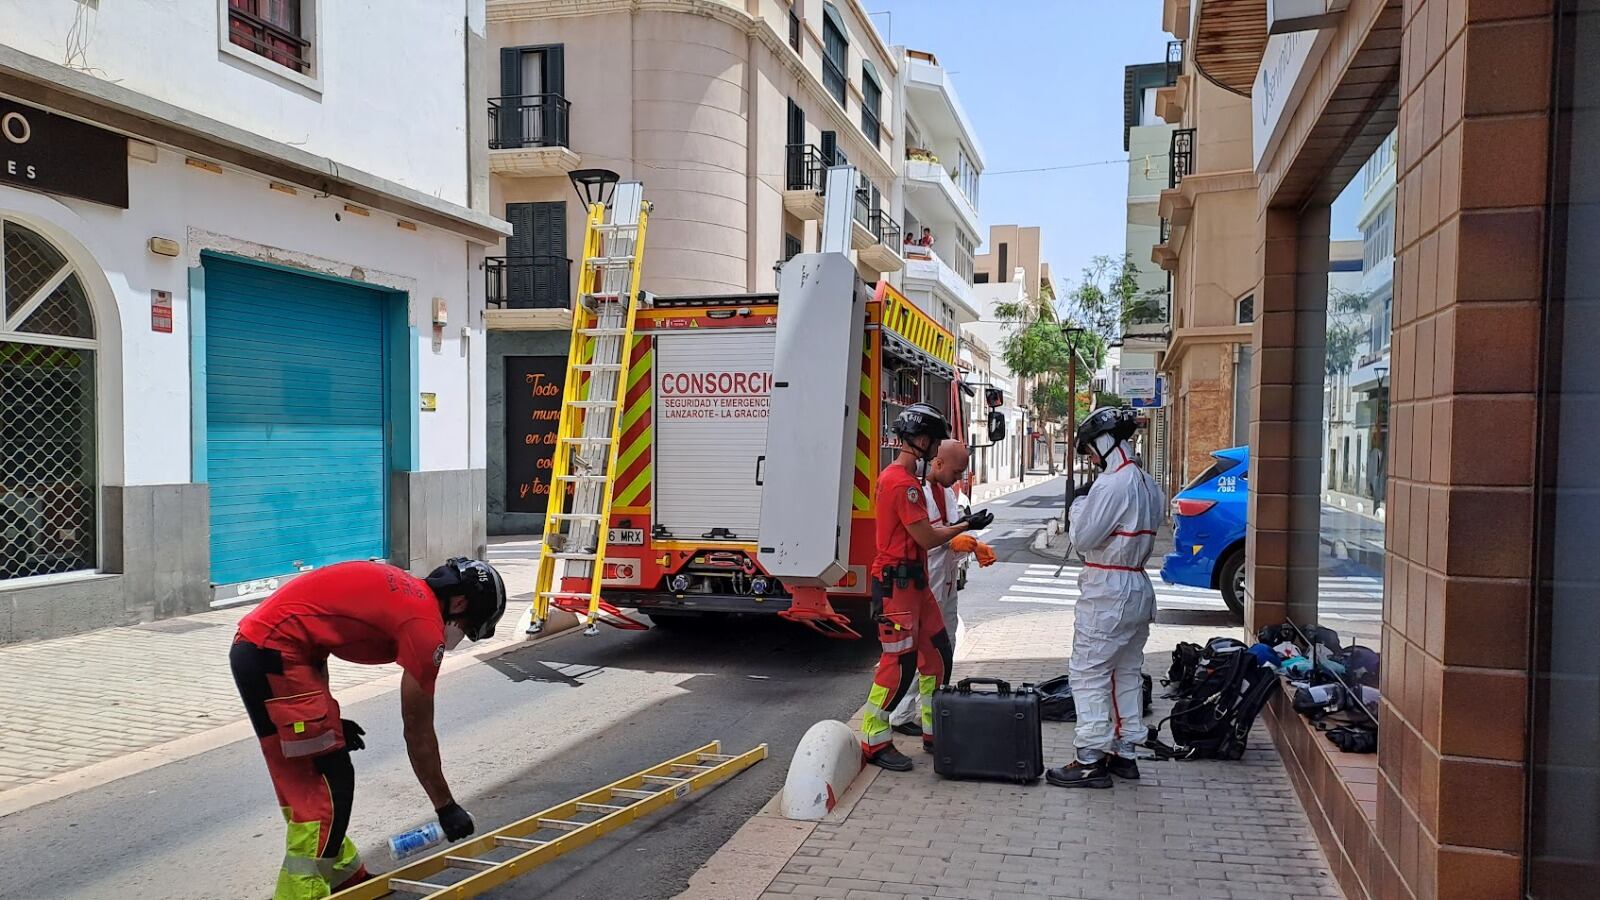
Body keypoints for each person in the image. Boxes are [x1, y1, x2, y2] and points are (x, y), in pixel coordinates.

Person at [230, 557, 507, 899]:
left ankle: (343, 878)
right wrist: (445, 806)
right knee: (328, 785)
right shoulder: (424, 626)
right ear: (460, 603)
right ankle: (298, 894)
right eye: (467, 627)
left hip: (265, 649)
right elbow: (418, 731)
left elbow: (316, 636)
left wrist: (326, 719)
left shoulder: (410, 593)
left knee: (306, 779)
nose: (459, 636)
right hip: (274, 653)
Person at [861, 405, 993, 770]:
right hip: (898, 586)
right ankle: (874, 738)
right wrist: (966, 524)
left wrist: (963, 526)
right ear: (920, 442)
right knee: (899, 665)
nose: (936, 454)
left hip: (915, 585)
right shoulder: (901, 484)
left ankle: (935, 733)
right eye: (934, 446)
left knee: (937, 656)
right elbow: (928, 536)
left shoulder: (910, 482)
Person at [1046, 407, 1163, 789]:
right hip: (1137, 585)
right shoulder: (1147, 481)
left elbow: (1082, 538)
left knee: (1089, 672)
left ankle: (1090, 757)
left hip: (1108, 590)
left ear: (1105, 440)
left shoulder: (1113, 484)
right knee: (1125, 671)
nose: (1090, 458)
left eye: (1090, 450)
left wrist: (1078, 505)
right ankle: (1125, 750)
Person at [889, 438, 995, 736]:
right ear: (938, 463)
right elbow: (923, 540)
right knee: (921, 652)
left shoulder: (945, 493)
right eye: (957, 471)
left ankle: (930, 715)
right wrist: (956, 540)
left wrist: (973, 546)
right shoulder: (915, 492)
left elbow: (950, 534)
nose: (959, 478)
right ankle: (900, 713)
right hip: (925, 584)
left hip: (945, 586)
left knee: (942, 653)